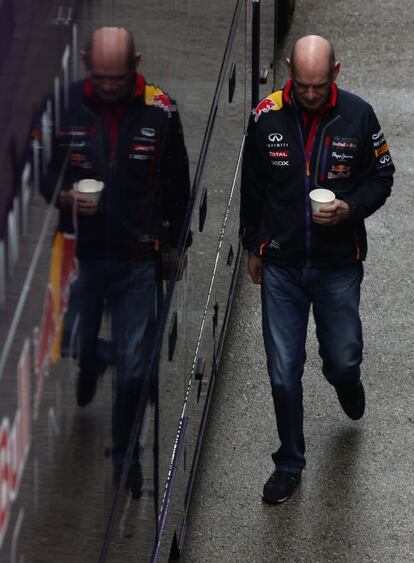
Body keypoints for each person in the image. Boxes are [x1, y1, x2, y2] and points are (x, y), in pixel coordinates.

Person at [240, 35, 394, 503]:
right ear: (290, 69)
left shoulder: (359, 115)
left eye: (319, 85)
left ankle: (345, 381)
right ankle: (289, 461)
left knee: (343, 357)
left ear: (336, 71)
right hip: (282, 266)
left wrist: (348, 209)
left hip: (337, 265)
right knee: (284, 372)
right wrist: (253, 247)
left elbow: (382, 177)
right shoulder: (265, 116)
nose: (309, 95)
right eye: (302, 85)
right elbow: (252, 185)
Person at [41, 27, 191, 496]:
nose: (108, 85)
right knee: (77, 344)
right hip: (84, 255)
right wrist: (64, 196)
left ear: (136, 64)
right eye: (100, 76)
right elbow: (44, 172)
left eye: (118, 77)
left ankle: (126, 453)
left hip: (138, 260)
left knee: (133, 370)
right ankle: (91, 359)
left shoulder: (160, 110)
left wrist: (174, 247)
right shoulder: (64, 106)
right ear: (87, 63)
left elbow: (176, 184)